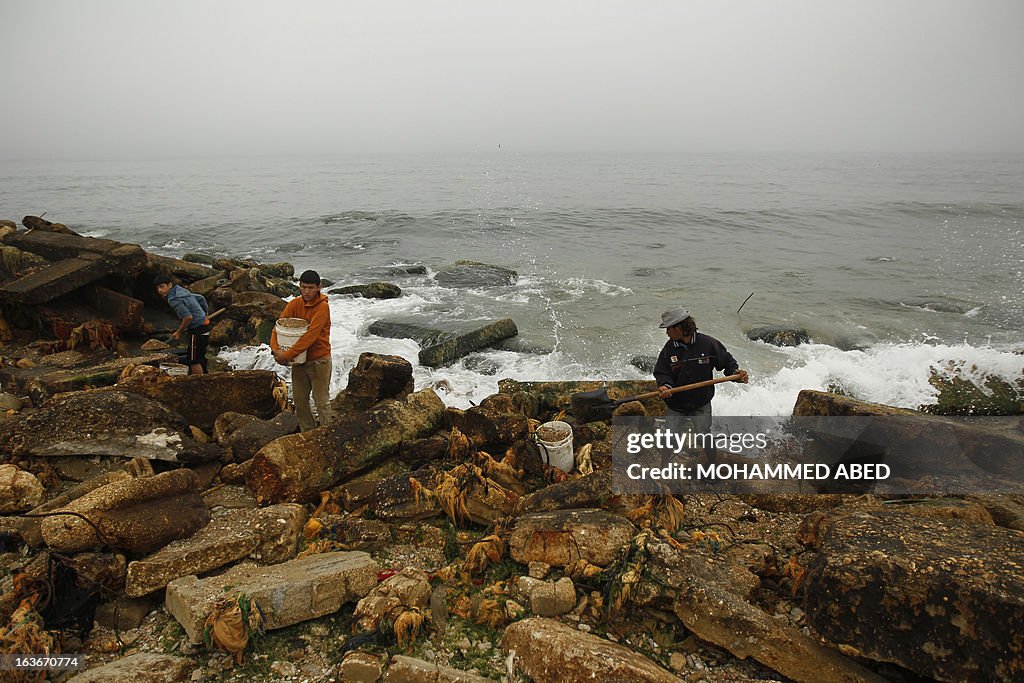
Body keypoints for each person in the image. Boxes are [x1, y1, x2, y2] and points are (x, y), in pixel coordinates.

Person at [653, 307, 748, 449]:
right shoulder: (669, 349)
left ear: (679, 328)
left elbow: (727, 363)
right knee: (671, 439)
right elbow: (662, 371)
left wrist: (736, 374)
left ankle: (711, 467)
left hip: (701, 402)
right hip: (676, 404)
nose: (667, 333)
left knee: (704, 437)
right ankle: (664, 469)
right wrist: (665, 385)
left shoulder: (708, 344)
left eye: (668, 329)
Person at [270, 270, 332, 431]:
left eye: (311, 288)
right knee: (300, 401)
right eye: (303, 287)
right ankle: (308, 433)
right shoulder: (294, 304)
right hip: (298, 361)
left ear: (319, 287)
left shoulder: (323, 307)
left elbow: (310, 337)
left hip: (319, 360)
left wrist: (286, 355)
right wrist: (275, 350)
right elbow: (278, 328)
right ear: (299, 286)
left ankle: (328, 434)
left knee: (321, 401)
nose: (307, 291)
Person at [154, 273, 210, 375]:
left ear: (170, 285)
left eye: (162, 286)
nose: (159, 290)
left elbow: (188, 317)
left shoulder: (173, 299)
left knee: (193, 360)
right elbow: (201, 298)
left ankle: (198, 382)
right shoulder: (182, 291)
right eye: (157, 288)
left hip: (197, 330)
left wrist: (179, 332)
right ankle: (206, 377)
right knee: (200, 356)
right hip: (205, 326)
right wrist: (204, 314)